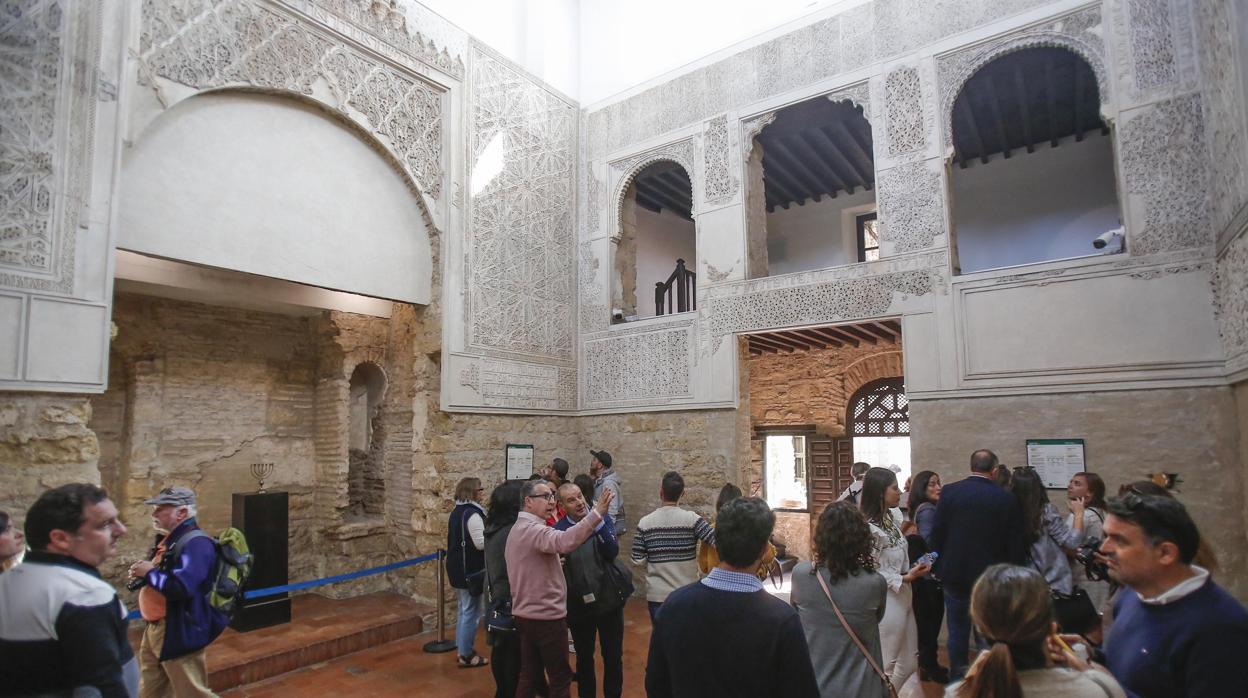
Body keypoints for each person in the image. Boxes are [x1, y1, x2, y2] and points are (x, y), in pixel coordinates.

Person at [645, 496, 819, 698]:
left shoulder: (674, 606)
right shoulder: (782, 621)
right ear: (764, 550)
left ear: (716, 545)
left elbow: (656, 685)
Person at [1098, 492, 1248, 697]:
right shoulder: (1132, 595)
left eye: (1119, 541)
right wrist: (1085, 657)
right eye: (1106, 536)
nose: (1104, 548)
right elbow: (1132, 672)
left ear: (1165, 553)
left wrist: (1106, 690)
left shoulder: (1221, 628)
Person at [0, 483, 137, 698]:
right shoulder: (83, 593)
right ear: (61, 539)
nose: (121, 530)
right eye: (105, 524)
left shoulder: (7, 581)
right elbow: (101, 685)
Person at [948, 564, 1125, 698]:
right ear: (1053, 627)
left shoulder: (957, 694)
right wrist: (1094, 672)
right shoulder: (1098, 690)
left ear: (979, 628)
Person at [506, 478, 613, 698]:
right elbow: (565, 541)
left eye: (552, 497)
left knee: (530, 674)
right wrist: (597, 513)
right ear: (528, 501)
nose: (551, 502)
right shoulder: (532, 529)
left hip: (527, 614)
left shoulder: (520, 529)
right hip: (545, 616)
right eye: (545, 497)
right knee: (560, 678)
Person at [928, 449, 1025, 680]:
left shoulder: (950, 492)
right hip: (990, 578)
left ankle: (957, 682)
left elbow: (937, 533)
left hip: (955, 574)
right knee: (987, 633)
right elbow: (1014, 543)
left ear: (972, 466)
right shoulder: (1005, 498)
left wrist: (936, 566)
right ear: (994, 470)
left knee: (957, 632)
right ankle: (986, 681)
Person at [128, 486, 224, 698]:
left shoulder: (197, 543)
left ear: (181, 512)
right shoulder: (171, 539)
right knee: (153, 689)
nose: (154, 513)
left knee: (192, 692)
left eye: (160, 508)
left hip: (177, 628)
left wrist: (150, 573)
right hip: (157, 627)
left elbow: (182, 587)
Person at [791, 502, 889, 698]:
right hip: (862, 687)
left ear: (820, 536)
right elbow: (877, 618)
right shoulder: (874, 583)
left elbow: (796, 614)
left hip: (815, 683)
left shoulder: (801, 574)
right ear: (862, 538)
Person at [860, 467, 929, 691]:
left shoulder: (892, 517)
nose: (900, 492)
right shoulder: (869, 528)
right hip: (887, 598)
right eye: (894, 488)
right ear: (880, 492)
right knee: (886, 663)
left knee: (909, 662)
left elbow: (897, 553)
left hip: (904, 593)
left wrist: (913, 569)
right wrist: (904, 577)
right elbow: (870, 567)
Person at [554, 482, 624, 698]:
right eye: (571, 500)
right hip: (578, 605)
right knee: (584, 658)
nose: (579, 502)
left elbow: (611, 551)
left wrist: (599, 521)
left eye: (580, 496)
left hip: (608, 600)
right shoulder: (558, 531)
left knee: (612, 656)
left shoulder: (601, 520)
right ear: (561, 506)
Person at [631, 471, 715, 621]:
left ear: (661, 492)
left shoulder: (645, 523)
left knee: (662, 640)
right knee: (687, 638)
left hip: (658, 595)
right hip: (687, 592)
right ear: (683, 494)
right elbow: (717, 541)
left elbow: (637, 560)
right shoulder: (693, 520)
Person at [484, 480, 531, 698]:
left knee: (500, 647)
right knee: (513, 652)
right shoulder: (511, 531)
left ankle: (502, 691)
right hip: (510, 596)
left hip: (497, 595)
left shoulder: (494, 527)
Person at [1009, 467, 1085, 595]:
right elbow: (1072, 542)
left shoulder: (1009, 513)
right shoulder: (1046, 511)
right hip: (1053, 582)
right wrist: (1079, 514)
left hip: (1022, 583)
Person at [907, 470, 947, 683]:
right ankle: (929, 667)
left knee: (928, 623)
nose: (938, 487)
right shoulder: (928, 511)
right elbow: (931, 544)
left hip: (923, 575)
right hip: (928, 578)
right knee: (930, 623)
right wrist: (943, 552)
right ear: (922, 488)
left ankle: (928, 666)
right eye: (932, 484)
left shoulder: (925, 509)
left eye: (938, 482)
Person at [448, 477, 488, 668]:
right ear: (472, 492)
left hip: (458, 569)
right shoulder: (472, 514)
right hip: (469, 570)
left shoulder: (457, 511)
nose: (482, 492)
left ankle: (461, 648)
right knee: (471, 612)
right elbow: (480, 543)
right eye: (480, 489)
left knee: (464, 610)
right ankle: (466, 654)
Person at [696, 483, 776, 578]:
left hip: (716, 577)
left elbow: (703, 565)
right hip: (746, 578)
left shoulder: (710, 529)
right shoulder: (749, 528)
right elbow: (768, 556)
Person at [1065, 472, 1112, 612]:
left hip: (1083, 576)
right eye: (1071, 482)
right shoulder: (1103, 511)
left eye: (1077, 483)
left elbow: (1068, 544)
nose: (1070, 486)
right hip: (1100, 575)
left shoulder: (1082, 516)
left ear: (1090, 494)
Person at [590, 450, 626, 535]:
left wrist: (608, 531)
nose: (591, 462)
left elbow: (612, 510)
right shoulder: (600, 481)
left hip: (609, 529)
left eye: (594, 460)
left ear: (600, 465)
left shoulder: (608, 483)